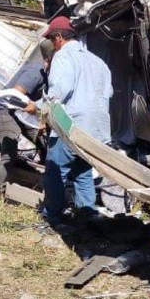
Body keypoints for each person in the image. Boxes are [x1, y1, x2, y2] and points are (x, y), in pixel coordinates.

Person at [27, 16, 113, 226]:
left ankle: (52, 217)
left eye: (52, 40)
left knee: (55, 171)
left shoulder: (63, 57)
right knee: (82, 170)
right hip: (97, 130)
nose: (52, 46)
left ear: (58, 38)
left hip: (72, 126)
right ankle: (87, 214)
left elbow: (59, 91)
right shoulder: (98, 61)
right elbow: (108, 93)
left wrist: (36, 107)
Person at [0, 39, 54, 195]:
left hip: (23, 111)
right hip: (7, 109)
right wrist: (34, 112)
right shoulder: (36, 72)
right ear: (48, 59)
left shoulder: (49, 74)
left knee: (46, 143)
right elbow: (15, 95)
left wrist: (42, 123)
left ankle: (47, 188)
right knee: (9, 152)